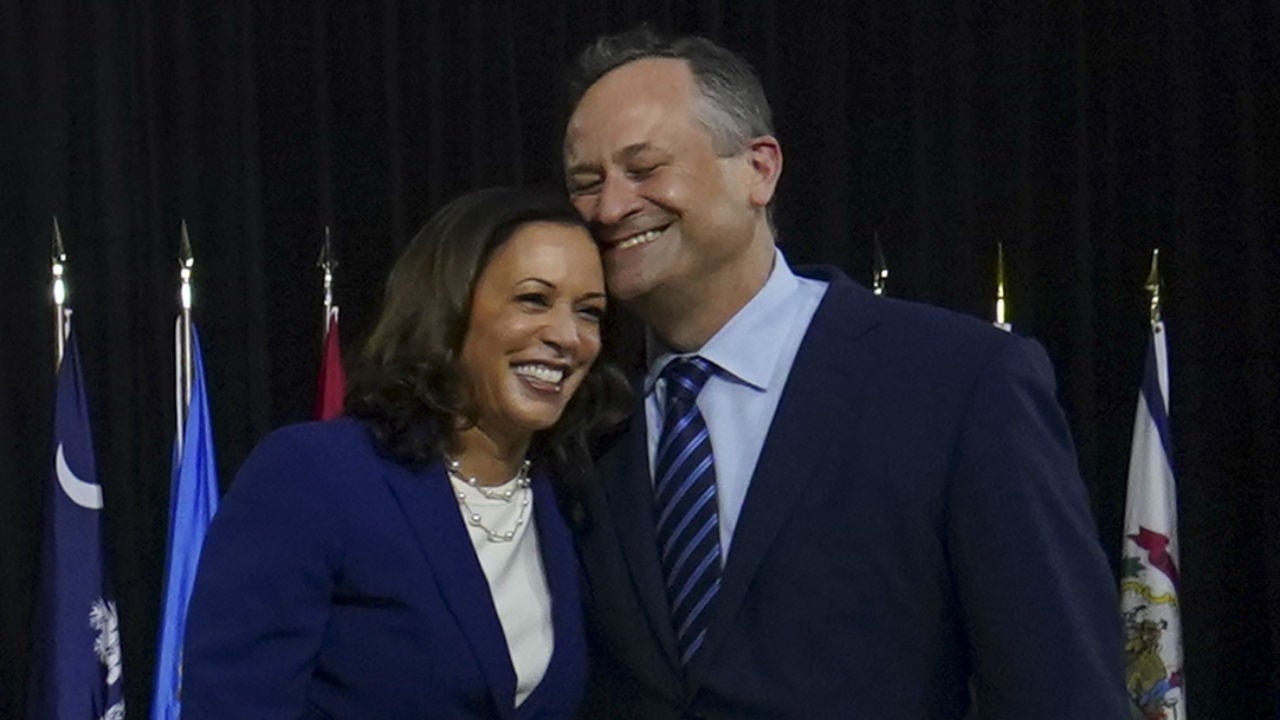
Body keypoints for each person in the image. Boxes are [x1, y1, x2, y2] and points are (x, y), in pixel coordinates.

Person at [560, 26, 1130, 719]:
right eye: (586, 184)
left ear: (759, 169)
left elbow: (1061, 690)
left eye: (645, 168)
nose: (610, 208)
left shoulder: (955, 381)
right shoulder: (578, 409)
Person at [181, 186, 630, 719]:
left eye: (589, 312)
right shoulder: (315, 475)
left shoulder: (574, 498)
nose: (568, 336)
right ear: (450, 308)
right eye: (533, 299)